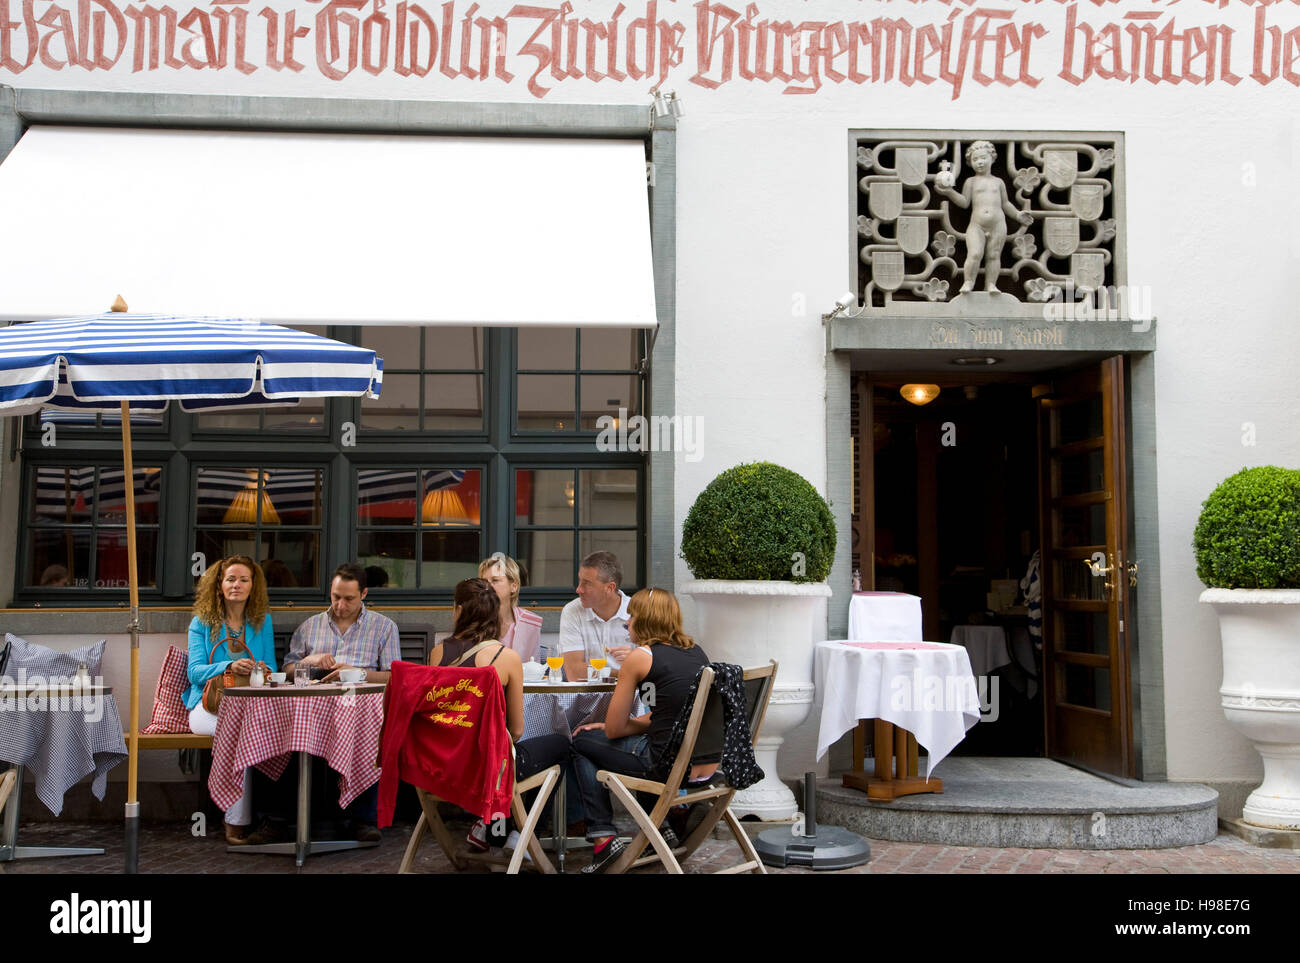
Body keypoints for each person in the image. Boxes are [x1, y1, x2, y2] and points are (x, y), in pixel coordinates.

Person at [570, 587, 717, 873]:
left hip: (666, 765)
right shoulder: (697, 653)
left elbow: (613, 730)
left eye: (633, 615)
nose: (627, 622)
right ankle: (659, 828)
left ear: (646, 620)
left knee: (580, 740)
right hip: (703, 765)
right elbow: (667, 715)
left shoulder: (641, 658)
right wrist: (629, 726)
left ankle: (603, 838)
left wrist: (612, 727)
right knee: (636, 740)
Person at [429, 578, 569, 853]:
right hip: (491, 769)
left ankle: (493, 825)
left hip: (448, 765)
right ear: (494, 613)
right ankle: (522, 833)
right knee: (560, 745)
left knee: (506, 758)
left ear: (457, 610)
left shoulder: (438, 653)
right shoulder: (506, 658)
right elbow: (516, 730)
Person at [283, 562, 401, 841]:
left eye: (348, 598)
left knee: (371, 735)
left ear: (364, 594)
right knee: (287, 731)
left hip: (362, 710)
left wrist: (356, 672)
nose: (340, 605)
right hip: (314, 710)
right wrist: (308, 661)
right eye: (336, 597)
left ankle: (362, 819)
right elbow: (286, 672)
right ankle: (292, 816)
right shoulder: (309, 627)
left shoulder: (384, 627)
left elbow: (394, 677)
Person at [184, 555, 277, 845]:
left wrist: (261, 669)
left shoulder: (262, 622)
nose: (237, 585)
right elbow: (195, 672)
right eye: (231, 579)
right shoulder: (201, 623)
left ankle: (271, 817)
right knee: (239, 735)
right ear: (219, 585)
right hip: (207, 707)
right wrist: (227, 666)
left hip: (248, 707)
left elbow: (272, 666)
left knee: (251, 732)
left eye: (244, 579)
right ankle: (235, 824)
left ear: (253, 586)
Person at [934, 139, 1033, 293]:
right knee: (975, 253)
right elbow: (964, 202)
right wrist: (949, 192)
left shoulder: (998, 182)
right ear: (970, 162)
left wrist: (1018, 215)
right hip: (977, 225)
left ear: (992, 158)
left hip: (998, 224)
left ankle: (991, 284)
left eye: (983, 158)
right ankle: (968, 281)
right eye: (975, 159)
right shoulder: (971, 181)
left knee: (993, 255)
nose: (979, 162)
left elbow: (1006, 203)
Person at [557, 551, 635, 683]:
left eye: (587, 583)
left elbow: (653, 668)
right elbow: (574, 673)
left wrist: (636, 659)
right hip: (586, 698)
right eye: (579, 581)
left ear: (610, 588)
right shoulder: (572, 611)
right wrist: (626, 671)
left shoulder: (638, 612)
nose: (578, 589)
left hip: (633, 695)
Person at [478, 554, 542, 662]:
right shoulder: (474, 620)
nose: (487, 587)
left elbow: (533, 667)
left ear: (514, 586)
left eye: (495, 580)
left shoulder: (531, 622)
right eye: (484, 582)